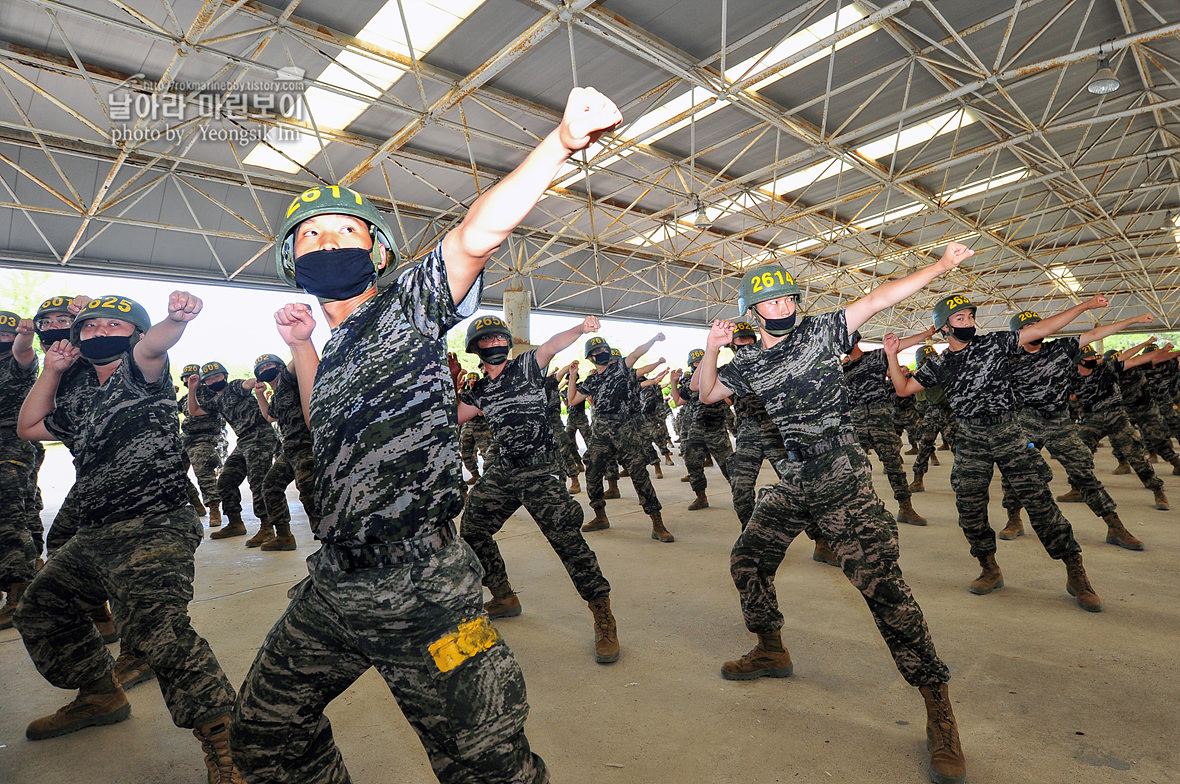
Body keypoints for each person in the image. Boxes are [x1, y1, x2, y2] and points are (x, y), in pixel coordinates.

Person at [232, 87, 622, 784]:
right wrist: (300, 346)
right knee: (264, 731)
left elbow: (477, 234)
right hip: (339, 582)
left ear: (380, 254)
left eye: (344, 231)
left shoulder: (408, 309)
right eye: (309, 236)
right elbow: (325, 423)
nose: (325, 241)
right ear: (291, 261)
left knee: (491, 764)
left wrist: (559, 144)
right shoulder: (339, 345)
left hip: (428, 591)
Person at [697, 244, 974, 784]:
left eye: (785, 297)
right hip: (795, 477)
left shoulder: (822, 332)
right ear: (752, 311)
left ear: (795, 302)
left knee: (884, 590)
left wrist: (940, 268)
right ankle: (771, 648)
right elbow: (707, 393)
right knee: (747, 560)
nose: (778, 306)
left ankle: (938, 709)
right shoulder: (748, 361)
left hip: (841, 474)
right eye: (767, 301)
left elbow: (878, 297)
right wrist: (711, 348)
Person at [15, 293, 241, 782]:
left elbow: (156, 345)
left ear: (134, 335)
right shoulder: (74, 395)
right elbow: (29, 425)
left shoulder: (141, 373)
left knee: (157, 630)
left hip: (155, 522)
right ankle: (100, 693)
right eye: (89, 327)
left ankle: (227, 739)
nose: (99, 333)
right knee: (42, 608)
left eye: (113, 326)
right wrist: (51, 371)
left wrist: (174, 319)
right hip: (97, 531)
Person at [885, 292, 1106, 613]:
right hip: (971, 437)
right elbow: (903, 388)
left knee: (1038, 500)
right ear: (944, 328)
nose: (969, 323)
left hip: (1008, 431)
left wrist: (1085, 306)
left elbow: (1040, 329)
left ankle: (1075, 572)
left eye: (970, 317)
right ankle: (989, 567)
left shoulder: (994, 344)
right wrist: (892, 354)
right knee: (969, 504)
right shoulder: (940, 364)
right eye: (960, 319)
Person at [457, 314, 619, 664]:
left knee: (567, 541)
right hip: (504, 469)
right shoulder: (479, 390)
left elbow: (550, 346)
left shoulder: (525, 368)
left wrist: (579, 329)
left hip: (540, 469)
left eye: (501, 339)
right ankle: (503, 595)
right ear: (476, 349)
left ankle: (603, 615)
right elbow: (451, 418)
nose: (496, 345)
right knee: (472, 529)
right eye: (487, 342)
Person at [997, 310, 1153, 549]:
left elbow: (1094, 334)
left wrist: (1132, 319)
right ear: (1018, 334)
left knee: (1083, 472)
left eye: (1039, 324)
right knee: (1015, 471)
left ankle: (1115, 527)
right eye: (1029, 326)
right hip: (1028, 421)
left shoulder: (1059, 350)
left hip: (1060, 422)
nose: (1036, 329)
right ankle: (1014, 519)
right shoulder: (1009, 359)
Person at [568, 335, 674, 542]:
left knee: (639, 474)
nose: (601, 353)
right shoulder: (591, 381)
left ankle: (657, 523)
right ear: (590, 357)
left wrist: (653, 340)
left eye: (604, 349)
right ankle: (600, 516)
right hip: (601, 430)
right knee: (593, 473)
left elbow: (636, 353)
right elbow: (572, 400)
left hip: (625, 428)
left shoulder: (620, 369)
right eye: (596, 352)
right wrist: (572, 376)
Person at [843, 330, 933, 525]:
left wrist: (927, 333)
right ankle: (854, 513)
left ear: (855, 339)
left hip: (880, 417)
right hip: (856, 419)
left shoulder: (876, 356)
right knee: (852, 468)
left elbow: (900, 345)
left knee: (894, 465)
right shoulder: (841, 368)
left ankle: (905, 508)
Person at [1072, 342, 1171, 511]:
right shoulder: (1071, 376)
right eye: (1088, 357)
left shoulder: (1106, 368)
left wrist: (1156, 350)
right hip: (1092, 419)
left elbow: (1135, 359)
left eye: (1093, 355)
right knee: (1077, 452)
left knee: (1135, 454)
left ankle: (1157, 489)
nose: (1092, 358)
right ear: (1080, 361)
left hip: (1116, 416)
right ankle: (1076, 489)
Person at [193, 360, 279, 540]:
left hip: (259, 435)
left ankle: (267, 528)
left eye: (217, 376)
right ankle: (235, 523)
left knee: (258, 481)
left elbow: (246, 384)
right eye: (208, 379)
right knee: (225, 481)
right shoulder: (216, 401)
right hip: (244, 442)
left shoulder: (234, 387)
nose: (214, 380)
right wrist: (192, 388)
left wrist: (256, 381)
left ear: (224, 375)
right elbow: (194, 411)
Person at [252, 353, 315, 550]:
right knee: (270, 486)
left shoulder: (288, 381)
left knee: (309, 492)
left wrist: (297, 341)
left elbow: (297, 359)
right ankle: (284, 536)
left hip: (306, 446)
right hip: (289, 450)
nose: (265, 370)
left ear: (280, 367)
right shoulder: (277, 394)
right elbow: (270, 416)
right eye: (261, 369)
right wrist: (260, 395)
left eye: (269, 365)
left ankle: (328, 539)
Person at [0, 310, 38, 630]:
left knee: (10, 519)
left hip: (10, 450)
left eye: (6, 335)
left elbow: (24, 354)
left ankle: (19, 589)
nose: (2, 340)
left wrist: (24, 335)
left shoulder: (16, 366)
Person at [673, 349, 732, 510]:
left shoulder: (720, 377)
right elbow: (678, 401)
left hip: (716, 429)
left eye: (703, 360)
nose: (700, 364)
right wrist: (673, 382)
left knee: (729, 466)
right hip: (696, 429)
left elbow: (729, 401)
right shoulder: (689, 382)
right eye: (697, 362)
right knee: (693, 464)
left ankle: (741, 496)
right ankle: (701, 497)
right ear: (691, 365)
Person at [178, 363, 225, 525]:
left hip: (203, 438)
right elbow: (174, 409)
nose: (189, 380)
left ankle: (214, 509)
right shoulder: (185, 399)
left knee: (204, 473)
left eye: (194, 377)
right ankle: (196, 503)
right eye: (186, 377)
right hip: (185, 437)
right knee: (173, 472)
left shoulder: (210, 393)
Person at [908, 346, 955, 493]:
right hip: (933, 410)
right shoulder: (922, 372)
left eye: (932, 357)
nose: (930, 360)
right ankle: (918, 480)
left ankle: (965, 481)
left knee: (959, 448)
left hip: (949, 411)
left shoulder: (944, 367)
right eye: (926, 358)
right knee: (924, 446)